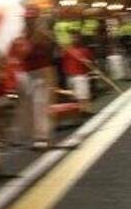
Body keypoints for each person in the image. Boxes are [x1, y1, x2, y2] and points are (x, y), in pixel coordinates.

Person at [11, 10, 55, 149]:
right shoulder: (22, 35)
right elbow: (22, 53)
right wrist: (33, 39)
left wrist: (46, 37)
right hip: (27, 74)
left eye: (31, 19)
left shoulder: (44, 35)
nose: (28, 21)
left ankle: (42, 136)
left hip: (42, 73)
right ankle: (29, 134)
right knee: (28, 106)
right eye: (26, 19)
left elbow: (52, 51)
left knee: (40, 104)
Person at [61, 35, 94, 111]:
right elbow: (65, 63)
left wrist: (87, 62)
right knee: (74, 96)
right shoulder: (68, 51)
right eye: (72, 38)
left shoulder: (85, 51)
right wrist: (66, 74)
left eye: (76, 37)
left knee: (83, 96)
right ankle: (79, 111)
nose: (74, 39)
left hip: (81, 76)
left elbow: (91, 63)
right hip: (70, 76)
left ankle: (85, 110)